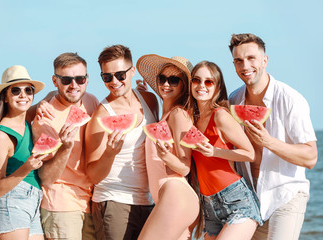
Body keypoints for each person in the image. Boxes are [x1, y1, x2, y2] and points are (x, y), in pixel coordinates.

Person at [228, 33, 318, 240]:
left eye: (251, 58)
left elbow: (311, 157)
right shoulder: (234, 100)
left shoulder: (290, 99)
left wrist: (268, 142)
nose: (245, 66)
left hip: (285, 194)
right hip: (249, 197)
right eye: (239, 60)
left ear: (264, 60)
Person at [85, 45, 159, 240]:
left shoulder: (150, 100)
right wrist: (110, 153)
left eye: (120, 75)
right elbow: (92, 175)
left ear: (132, 71)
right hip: (113, 201)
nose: (114, 82)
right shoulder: (101, 116)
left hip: (147, 199)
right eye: (107, 77)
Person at [188, 61, 263, 240]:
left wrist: (215, 152)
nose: (201, 86)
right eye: (196, 80)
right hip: (208, 206)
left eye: (208, 82)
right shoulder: (190, 120)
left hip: (236, 200)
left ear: (217, 87)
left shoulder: (220, 115)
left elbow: (249, 153)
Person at [31, 52, 99, 240]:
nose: (74, 85)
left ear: (87, 79)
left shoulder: (91, 101)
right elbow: (46, 177)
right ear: (55, 81)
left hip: (91, 201)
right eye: (67, 80)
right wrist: (65, 147)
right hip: (61, 205)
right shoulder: (44, 119)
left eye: (80, 79)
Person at [135, 55, 200, 240]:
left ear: (184, 85)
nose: (166, 84)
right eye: (162, 79)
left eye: (173, 80)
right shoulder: (165, 116)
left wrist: (166, 157)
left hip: (175, 195)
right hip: (168, 198)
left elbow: (185, 166)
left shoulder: (179, 114)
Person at [0, 65, 47, 239]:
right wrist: (26, 167)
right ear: (5, 97)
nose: (23, 96)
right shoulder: (2, 135)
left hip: (34, 202)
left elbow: (50, 99)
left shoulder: (27, 122)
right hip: (12, 203)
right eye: (15, 91)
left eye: (28, 90)